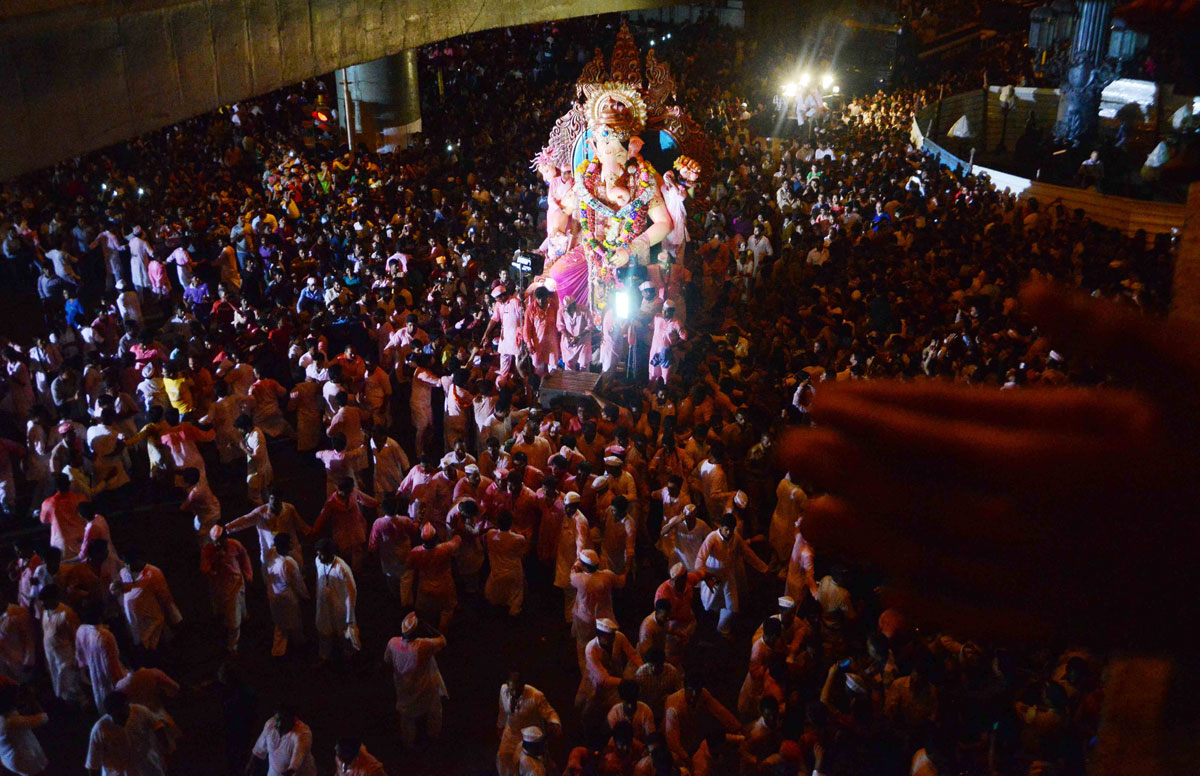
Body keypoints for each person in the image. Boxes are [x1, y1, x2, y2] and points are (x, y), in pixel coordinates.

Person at [695, 513, 769, 636]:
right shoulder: (712, 538)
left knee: (732, 607)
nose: (728, 532)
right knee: (709, 606)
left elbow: (748, 554)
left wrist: (764, 569)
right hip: (713, 576)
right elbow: (699, 560)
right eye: (726, 529)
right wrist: (707, 578)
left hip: (728, 576)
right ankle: (706, 632)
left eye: (731, 529)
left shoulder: (736, 538)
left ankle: (722, 629)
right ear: (720, 527)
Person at [384, 612, 448, 748]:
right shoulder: (422, 645)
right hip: (425, 688)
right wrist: (428, 626)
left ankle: (408, 743)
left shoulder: (393, 643)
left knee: (406, 718)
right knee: (434, 711)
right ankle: (433, 736)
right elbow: (442, 640)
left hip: (403, 689)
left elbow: (387, 661)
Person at [199, 525, 252, 654]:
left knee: (238, 608)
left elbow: (244, 558)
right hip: (221, 585)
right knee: (230, 615)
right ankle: (233, 641)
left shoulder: (235, 545)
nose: (218, 543)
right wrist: (217, 560)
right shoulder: (208, 550)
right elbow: (204, 568)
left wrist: (248, 573)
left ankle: (235, 639)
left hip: (237, 582)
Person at [497, 670, 561, 776]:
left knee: (531, 765)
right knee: (503, 757)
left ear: (523, 686)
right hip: (511, 731)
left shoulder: (535, 695)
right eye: (512, 690)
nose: (514, 693)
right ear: (508, 684)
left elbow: (550, 712)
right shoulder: (503, 690)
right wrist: (500, 725)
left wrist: (555, 723)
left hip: (528, 735)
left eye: (518, 690)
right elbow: (502, 710)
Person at [85, 691, 165, 776]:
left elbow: (157, 725)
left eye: (125, 708)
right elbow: (93, 764)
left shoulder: (140, 712)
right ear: (111, 714)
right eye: (119, 713)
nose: (124, 714)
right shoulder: (100, 729)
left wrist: (166, 748)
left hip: (147, 769)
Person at [570, 549, 626, 670]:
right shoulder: (607, 576)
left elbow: (572, 573)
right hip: (604, 617)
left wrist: (576, 563)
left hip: (585, 619)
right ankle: (608, 668)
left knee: (583, 646)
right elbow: (620, 583)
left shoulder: (579, 579)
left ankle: (587, 671)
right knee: (606, 646)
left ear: (585, 566)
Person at [408, 521, 462, 633]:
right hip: (445, 586)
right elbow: (458, 540)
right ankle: (442, 635)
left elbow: (409, 566)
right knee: (447, 610)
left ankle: (426, 633)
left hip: (424, 588)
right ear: (436, 538)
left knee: (425, 613)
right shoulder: (445, 548)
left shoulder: (415, 552)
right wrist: (454, 529)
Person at [313, 539, 359, 665]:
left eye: (321, 553)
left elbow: (351, 592)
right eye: (318, 553)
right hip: (323, 605)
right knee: (324, 630)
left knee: (344, 633)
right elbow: (318, 580)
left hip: (340, 607)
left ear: (330, 553)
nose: (319, 556)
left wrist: (350, 614)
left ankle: (349, 655)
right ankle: (324, 656)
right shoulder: (318, 561)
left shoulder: (342, 567)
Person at [263, 534, 309, 658]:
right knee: (295, 623)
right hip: (288, 599)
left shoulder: (271, 556)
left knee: (279, 625)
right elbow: (297, 583)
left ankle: (278, 651)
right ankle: (300, 647)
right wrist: (305, 596)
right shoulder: (289, 563)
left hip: (273, 596)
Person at [249, 703, 317, 776]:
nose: (279, 724)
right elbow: (258, 749)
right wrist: (250, 765)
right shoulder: (270, 725)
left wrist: (289, 773)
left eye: (284, 721)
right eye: (277, 720)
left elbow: (297, 761)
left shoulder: (303, 734)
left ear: (293, 720)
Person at [484, 511, 529, 617]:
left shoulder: (490, 535)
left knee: (497, 593)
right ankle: (514, 611)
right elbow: (523, 553)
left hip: (497, 570)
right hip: (513, 571)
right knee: (515, 594)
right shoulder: (519, 538)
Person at [0, 681, 48, 776]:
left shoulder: (5, 717)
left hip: (7, 757)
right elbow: (43, 718)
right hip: (23, 758)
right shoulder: (11, 721)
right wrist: (32, 699)